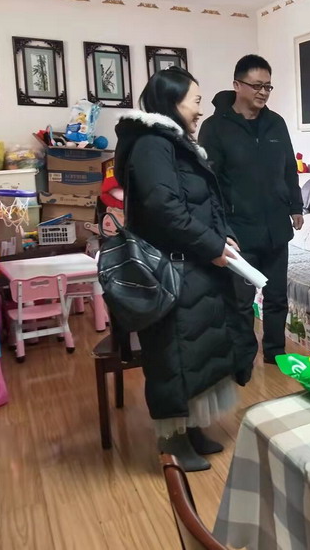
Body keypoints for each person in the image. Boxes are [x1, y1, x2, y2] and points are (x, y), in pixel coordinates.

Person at [114, 67, 256, 472]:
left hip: (194, 265)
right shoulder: (151, 145)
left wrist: (224, 238)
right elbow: (165, 210)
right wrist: (211, 246)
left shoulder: (175, 143)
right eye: (195, 100)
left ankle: (190, 428)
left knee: (197, 352)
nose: (200, 108)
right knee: (173, 356)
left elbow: (206, 202)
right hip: (172, 270)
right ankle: (172, 441)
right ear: (171, 102)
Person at [199, 55, 303, 363]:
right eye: (256, 85)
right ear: (237, 85)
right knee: (240, 301)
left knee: (277, 297)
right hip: (239, 230)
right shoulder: (215, 128)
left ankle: (275, 354)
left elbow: (289, 168)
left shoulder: (276, 123)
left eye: (268, 86)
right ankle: (242, 358)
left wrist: (296, 206)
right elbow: (209, 181)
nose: (263, 92)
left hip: (276, 228)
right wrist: (219, 227)